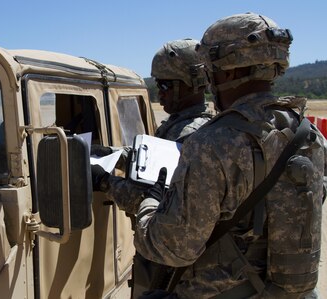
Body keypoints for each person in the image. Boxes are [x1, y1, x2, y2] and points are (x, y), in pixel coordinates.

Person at [133, 12, 326, 298]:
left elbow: (173, 247)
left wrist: (149, 205)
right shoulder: (310, 135)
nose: (209, 81)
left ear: (231, 72)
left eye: (213, 70)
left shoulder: (212, 143)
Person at [91, 38, 211, 215]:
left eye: (165, 85)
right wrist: (113, 154)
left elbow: (146, 198)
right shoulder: (182, 124)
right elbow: (148, 162)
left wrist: (103, 181)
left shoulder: (187, 135)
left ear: (190, 85)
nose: (160, 92)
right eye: (157, 84)